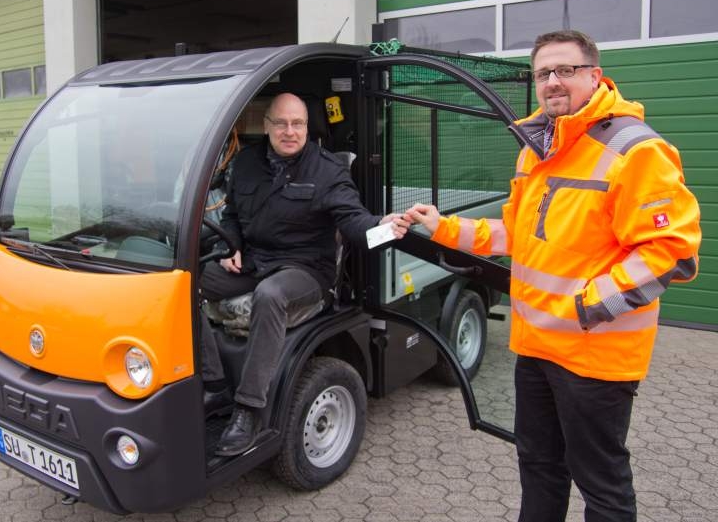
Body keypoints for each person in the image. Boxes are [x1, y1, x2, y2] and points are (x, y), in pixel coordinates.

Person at [407, 30, 701, 521]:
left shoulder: (636, 150)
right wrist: (442, 227)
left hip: (593, 357)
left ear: (595, 76)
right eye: (543, 73)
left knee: (601, 483)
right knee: (539, 465)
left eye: (565, 70)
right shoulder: (538, 149)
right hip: (537, 349)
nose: (552, 82)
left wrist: (587, 305)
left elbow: (670, 251)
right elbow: (517, 234)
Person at [201, 92, 410, 457]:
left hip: (306, 271)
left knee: (270, 295)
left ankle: (249, 410)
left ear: (307, 128)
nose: (289, 131)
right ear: (266, 127)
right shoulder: (247, 163)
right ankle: (215, 382)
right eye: (280, 123)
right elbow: (232, 214)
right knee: (184, 281)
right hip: (253, 262)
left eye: (297, 123)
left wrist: (384, 227)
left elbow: (355, 221)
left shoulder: (328, 171)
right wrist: (232, 244)